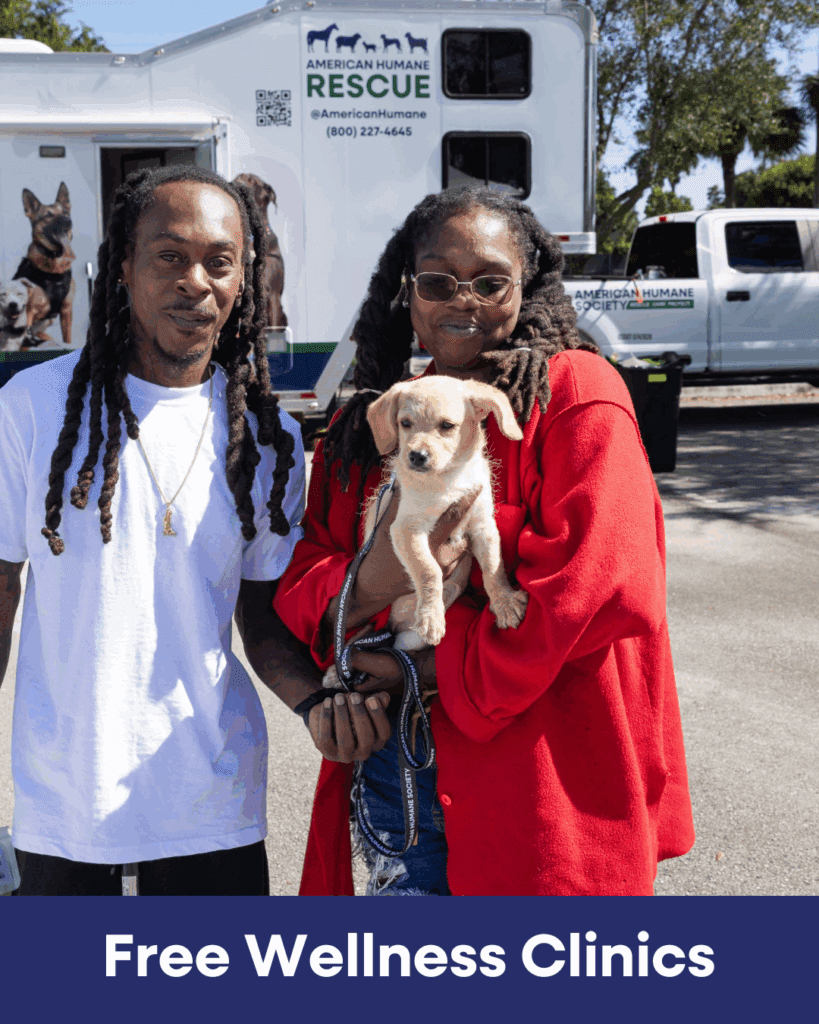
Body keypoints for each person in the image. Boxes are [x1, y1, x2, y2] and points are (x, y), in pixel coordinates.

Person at [274, 185, 696, 896]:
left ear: (524, 286)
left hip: (539, 789)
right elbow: (306, 576)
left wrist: (427, 670)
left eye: (490, 281)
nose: (461, 300)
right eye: (437, 281)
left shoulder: (573, 395)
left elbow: (594, 589)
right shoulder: (383, 420)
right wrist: (364, 595)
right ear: (407, 292)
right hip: (395, 779)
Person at [0, 165, 387, 895]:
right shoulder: (32, 407)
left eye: (219, 261)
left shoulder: (266, 441)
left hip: (212, 798)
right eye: (169, 257)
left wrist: (317, 702)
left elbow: (263, 618)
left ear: (243, 280)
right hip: (66, 795)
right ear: (123, 269)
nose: (195, 281)